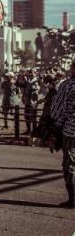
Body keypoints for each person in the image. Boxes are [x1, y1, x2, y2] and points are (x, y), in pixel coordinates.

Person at [50, 62, 75, 209]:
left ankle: (72, 200)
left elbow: (57, 108)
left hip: (71, 130)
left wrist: (56, 124)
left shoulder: (68, 85)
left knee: (70, 165)